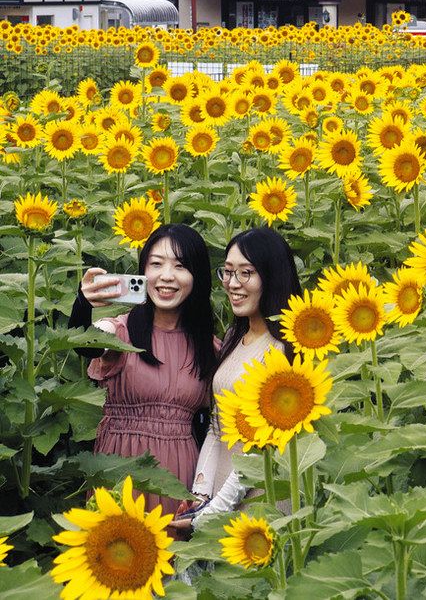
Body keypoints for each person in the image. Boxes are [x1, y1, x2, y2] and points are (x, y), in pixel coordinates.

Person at [74, 224, 219, 520]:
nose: (166, 276)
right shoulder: (120, 331)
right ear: (142, 272)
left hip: (179, 477)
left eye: (180, 266)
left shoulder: (209, 348)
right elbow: (87, 345)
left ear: (197, 277)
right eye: (156, 264)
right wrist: (82, 303)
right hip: (119, 469)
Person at [173, 226, 301, 529]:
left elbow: (261, 450)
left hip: (260, 498)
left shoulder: (283, 350)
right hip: (221, 493)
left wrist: (210, 515)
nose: (233, 283)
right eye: (228, 272)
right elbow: (218, 428)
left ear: (272, 276)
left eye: (246, 273)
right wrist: (201, 493)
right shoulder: (235, 336)